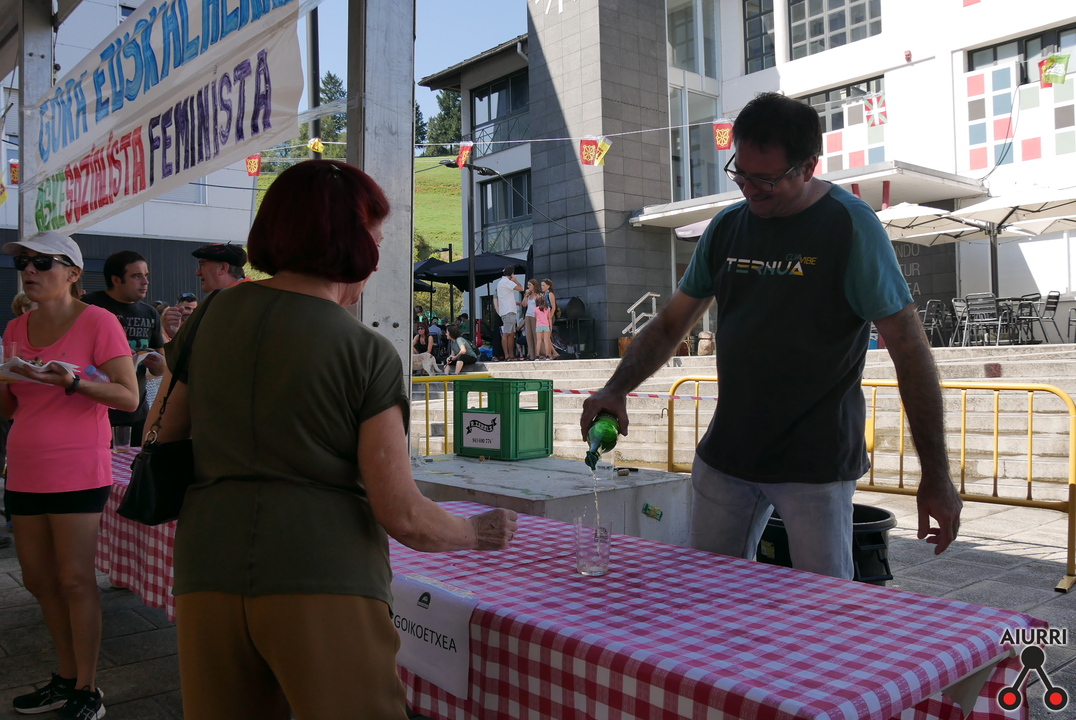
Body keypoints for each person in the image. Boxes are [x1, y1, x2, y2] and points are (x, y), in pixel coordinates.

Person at [145, 159, 517, 720]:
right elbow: (403, 515)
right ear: (353, 243)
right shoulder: (366, 351)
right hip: (324, 573)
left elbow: (164, 433)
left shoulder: (212, 313)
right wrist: (476, 531)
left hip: (206, 566)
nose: (378, 257)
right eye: (377, 240)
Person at [580, 92, 962, 580]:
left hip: (815, 465)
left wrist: (936, 475)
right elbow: (672, 323)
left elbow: (909, 349)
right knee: (707, 593)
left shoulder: (849, 226)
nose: (750, 190)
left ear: (809, 167)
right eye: (741, 174)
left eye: (766, 180)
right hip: (727, 455)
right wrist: (616, 388)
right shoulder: (727, 227)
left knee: (824, 607)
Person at [1, 231, 138, 720]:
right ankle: (64, 677)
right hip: (25, 467)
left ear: (74, 274)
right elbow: (10, 408)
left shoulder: (98, 320)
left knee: (76, 580)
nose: (29, 270)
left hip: (78, 467)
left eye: (43, 262)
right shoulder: (16, 327)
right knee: (39, 580)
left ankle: (87, 688)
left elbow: (129, 397)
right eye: (24, 263)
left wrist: (74, 382)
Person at [83, 251, 166, 446]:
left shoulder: (150, 313)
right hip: (94, 412)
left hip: (136, 414)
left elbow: (162, 367)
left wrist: (156, 363)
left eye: (146, 275)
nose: (145, 282)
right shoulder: (88, 306)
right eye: (136, 276)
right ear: (116, 279)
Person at [494, 266, 522, 361]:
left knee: (510, 334)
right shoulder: (507, 282)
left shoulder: (501, 282)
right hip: (508, 311)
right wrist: (516, 280)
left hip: (506, 311)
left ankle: (510, 355)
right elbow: (520, 288)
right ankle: (508, 355)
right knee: (506, 334)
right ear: (511, 274)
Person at [520, 279, 540, 360]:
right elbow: (524, 304)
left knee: (535, 336)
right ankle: (532, 355)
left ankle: (538, 354)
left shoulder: (537, 295)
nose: (528, 286)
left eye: (530, 285)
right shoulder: (527, 295)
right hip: (528, 315)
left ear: (534, 286)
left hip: (535, 316)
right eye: (528, 285)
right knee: (529, 336)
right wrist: (526, 295)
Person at [541, 278, 560, 359]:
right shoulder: (543, 295)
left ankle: (553, 353)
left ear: (548, 286)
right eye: (541, 285)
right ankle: (553, 353)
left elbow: (553, 307)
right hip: (543, 317)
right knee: (545, 337)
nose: (542, 287)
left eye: (544, 285)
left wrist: (550, 317)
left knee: (547, 336)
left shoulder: (550, 294)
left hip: (549, 316)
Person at [534, 293, 554, 361]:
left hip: (539, 326)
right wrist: (550, 326)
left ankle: (537, 356)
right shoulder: (548, 309)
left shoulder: (536, 309)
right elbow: (549, 318)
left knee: (539, 341)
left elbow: (536, 317)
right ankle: (548, 356)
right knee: (546, 341)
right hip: (546, 325)